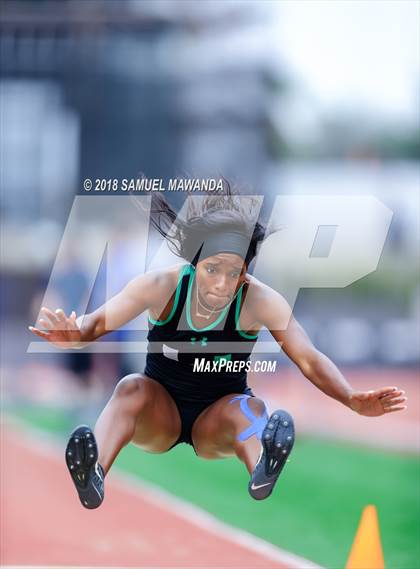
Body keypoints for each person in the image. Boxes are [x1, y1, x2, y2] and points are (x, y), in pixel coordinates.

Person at [29, 188, 407, 509]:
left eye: (235, 272)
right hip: (162, 413)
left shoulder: (260, 300)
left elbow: (308, 358)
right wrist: (73, 335)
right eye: (213, 270)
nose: (224, 285)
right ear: (194, 263)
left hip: (217, 418)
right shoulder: (160, 287)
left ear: (246, 271)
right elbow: (95, 323)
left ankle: (262, 469)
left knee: (253, 408)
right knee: (130, 387)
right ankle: (95, 475)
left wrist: (350, 398)